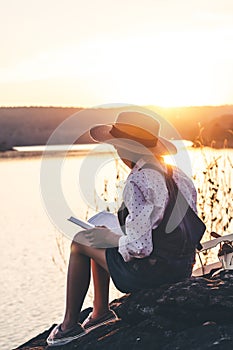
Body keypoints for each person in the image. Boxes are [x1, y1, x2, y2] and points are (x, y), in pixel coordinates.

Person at [47, 111, 206, 346]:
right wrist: (110, 236)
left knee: (81, 242)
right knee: (99, 234)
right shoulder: (179, 176)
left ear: (124, 149)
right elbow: (174, 228)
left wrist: (111, 238)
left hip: (152, 274)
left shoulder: (138, 180)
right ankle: (100, 313)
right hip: (181, 268)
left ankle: (69, 326)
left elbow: (141, 247)